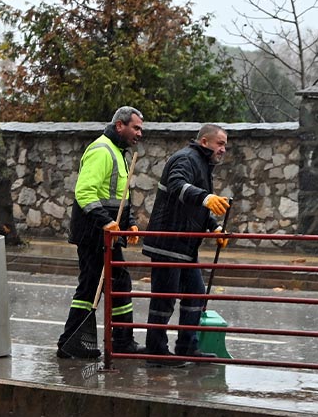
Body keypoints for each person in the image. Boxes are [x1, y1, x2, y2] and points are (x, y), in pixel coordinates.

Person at [56, 106, 145, 359]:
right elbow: (84, 192)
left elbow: (120, 197)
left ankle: (120, 339)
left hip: (107, 233)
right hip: (94, 234)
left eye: (140, 129)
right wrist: (106, 222)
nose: (139, 134)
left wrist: (129, 224)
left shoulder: (118, 152)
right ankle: (72, 342)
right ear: (120, 125)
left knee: (117, 283)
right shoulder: (102, 150)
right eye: (135, 128)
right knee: (90, 287)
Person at [141, 124, 230, 363]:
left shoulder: (201, 164)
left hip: (185, 245)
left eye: (225, 145)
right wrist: (206, 197)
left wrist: (214, 226)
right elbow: (178, 186)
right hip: (168, 241)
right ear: (204, 142)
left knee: (195, 294)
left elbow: (196, 205)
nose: (223, 149)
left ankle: (187, 347)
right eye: (220, 143)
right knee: (164, 298)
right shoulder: (186, 159)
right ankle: (156, 352)